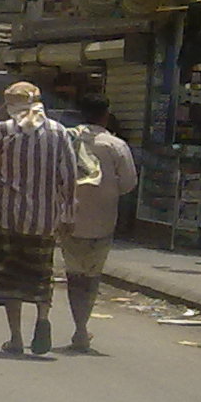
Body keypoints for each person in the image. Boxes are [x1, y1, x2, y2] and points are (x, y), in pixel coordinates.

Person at [0, 80, 80, 356]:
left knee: (11, 277)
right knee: (41, 273)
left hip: (6, 217)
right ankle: (43, 319)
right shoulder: (59, 132)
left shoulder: (1, 131)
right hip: (45, 220)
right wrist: (68, 215)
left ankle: (16, 337)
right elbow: (69, 176)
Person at [59, 101, 138, 354]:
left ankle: (79, 326)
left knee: (74, 276)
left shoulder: (66, 140)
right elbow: (128, 183)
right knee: (92, 277)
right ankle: (82, 328)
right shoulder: (115, 145)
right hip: (103, 221)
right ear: (106, 116)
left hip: (69, 219)